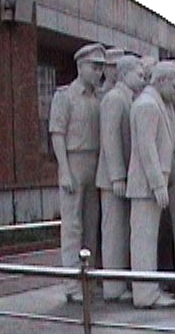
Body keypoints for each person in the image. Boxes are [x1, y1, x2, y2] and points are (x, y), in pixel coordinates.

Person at [49, 43, 105, 303]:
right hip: (73, 160)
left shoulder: (99, 98)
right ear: (81, 67)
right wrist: (64, 169)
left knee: (91, 224)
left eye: (101, 68)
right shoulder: (65, 96)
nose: (98, 73)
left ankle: (88, 278)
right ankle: (72, 283)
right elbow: (57, 134)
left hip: (94, 161)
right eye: (94, 67)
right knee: (72, 225)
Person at [126, 61, 175, 308]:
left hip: (151, 185)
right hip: (146, 186)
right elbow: (146, 149)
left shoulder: (156, 104)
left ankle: (148, 289)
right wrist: (158, 184)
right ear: (161, 81)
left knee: (149, 239)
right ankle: (144, 294)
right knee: (144, 240)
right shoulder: (147, 105)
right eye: (174, 85)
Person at [96, 55, 145, 302]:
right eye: (139, 74)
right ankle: (112, 287)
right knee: (113, 233)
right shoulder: (114, 99)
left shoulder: (129, 98)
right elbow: (110, 139)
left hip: (124, 177)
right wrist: (116, 175)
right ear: (125, 74)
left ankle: (120, 282)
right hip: (112, 179)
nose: (142, 79)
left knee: (122, 231)